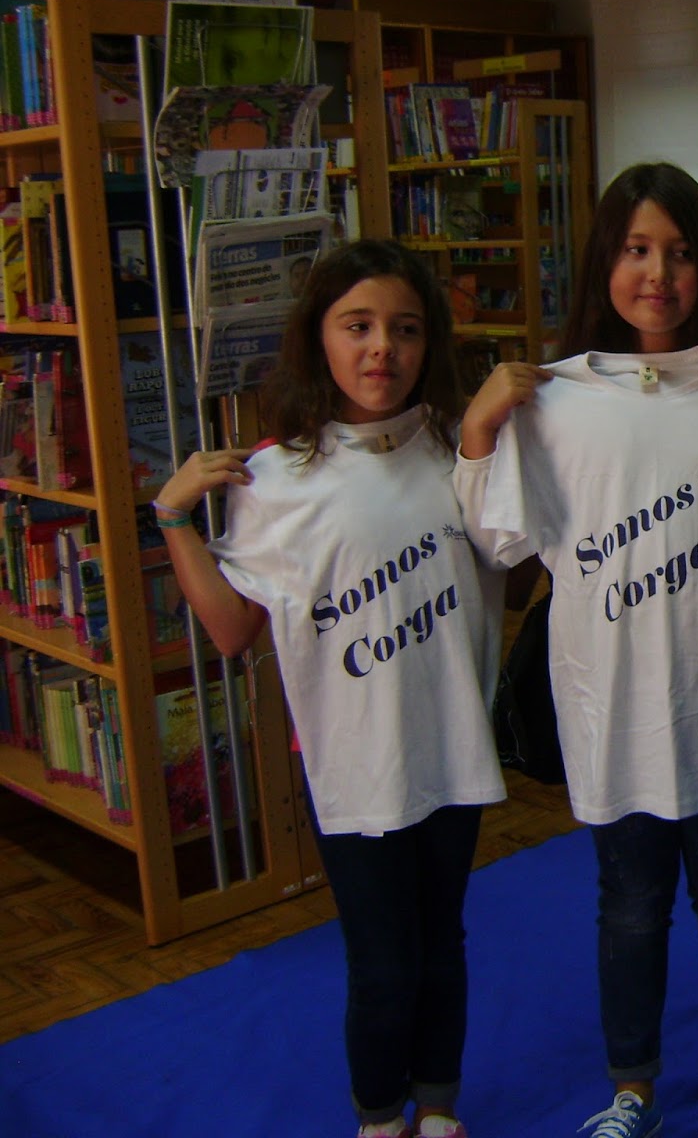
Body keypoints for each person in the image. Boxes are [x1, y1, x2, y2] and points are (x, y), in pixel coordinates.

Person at [453, 162, 698, 1138]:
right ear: (605, 261)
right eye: (636, 249)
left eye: (677, 252)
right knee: (628, 908)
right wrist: (480, 426)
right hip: (614, 710)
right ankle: (631, 1089)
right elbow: (497, 541)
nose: (657, 274)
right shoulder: (556, 401)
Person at [153, 239, 508, 1138]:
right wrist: (172, 518)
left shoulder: (460, 452)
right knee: (383, 961)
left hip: (454, 747)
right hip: (353, 764)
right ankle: (378, 1117)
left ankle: (439, 1108)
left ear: (429, 344)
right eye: (359, 326)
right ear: (320, 336)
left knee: (442, 942)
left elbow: (519, 561)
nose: (382, 347)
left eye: (405, 329)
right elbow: (232, 630)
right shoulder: (278, 478)